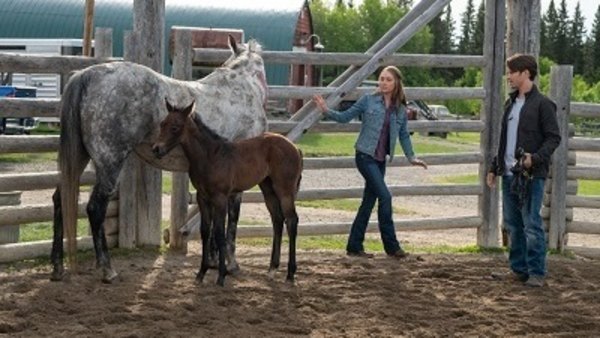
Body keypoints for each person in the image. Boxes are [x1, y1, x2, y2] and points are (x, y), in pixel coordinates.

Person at [313, 65, 427, 259]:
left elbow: (403, 135)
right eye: (381, 79)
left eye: (388, 79)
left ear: (397, 83)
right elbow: (344, 118)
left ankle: (354, 246)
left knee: (368, 203)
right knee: (386, 197)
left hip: (381, 160)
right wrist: (325, 110)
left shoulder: (400, 109)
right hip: (365, 156)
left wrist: (411, 157)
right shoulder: (368, 100)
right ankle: (392, 247)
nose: (383, 82)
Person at [487, 54, 561, 287]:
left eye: (512, 72)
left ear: (526, 73)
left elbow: (553, 138)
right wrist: (494, 167)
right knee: (513, 224)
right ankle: (518, 269)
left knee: (531, 224)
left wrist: (536, 158)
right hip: (509, 174)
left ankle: (536, 272)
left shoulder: (544, 104)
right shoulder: (510, 104)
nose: (508, 76)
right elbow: (503, 140)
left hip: (531, 175)